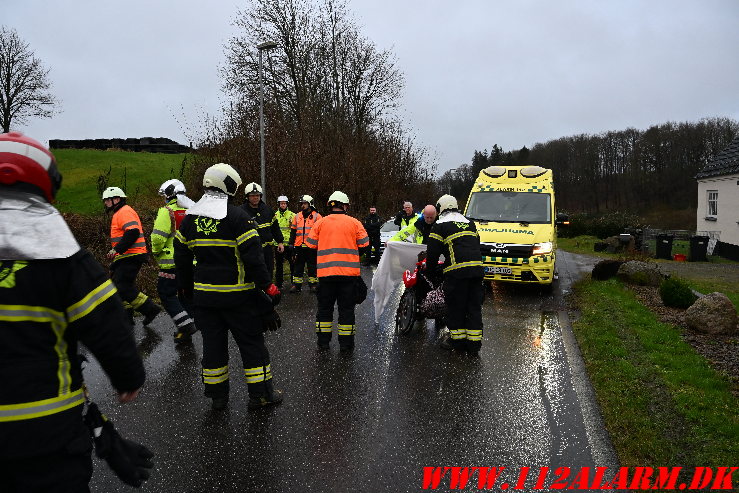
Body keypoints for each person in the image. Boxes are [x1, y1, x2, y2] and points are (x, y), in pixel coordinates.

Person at [0, 132, 149, 491]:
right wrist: (127, 377)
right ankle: (156, 309)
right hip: (46, 430)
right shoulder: (61, 252)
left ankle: (155, 309)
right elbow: (105, 319)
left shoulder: (124, 212)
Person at [174, 163, 283, 410]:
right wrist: (268, 287)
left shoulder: (190, 219)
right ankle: (261, 395)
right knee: (252, 346)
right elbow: (254, 259)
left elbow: (180, 255)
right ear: (228, 185)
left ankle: (218, 398)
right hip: (239, 299)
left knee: (213, 349)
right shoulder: (238, 218)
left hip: (205, 301)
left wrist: (186, 288)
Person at [306, 191, 369, 352]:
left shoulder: (320, 223)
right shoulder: (355, 223)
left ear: (330, 205)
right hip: (349, 276)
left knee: (324, 310)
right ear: (345, 205)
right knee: (346, 311)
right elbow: (365, 244)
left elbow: (310, 245)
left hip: (326, 276)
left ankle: (323, 343)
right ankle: (346, 346)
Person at [425, 194, 485, 355]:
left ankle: (457, 342)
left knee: (456, 307)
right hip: (477, 272)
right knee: (473, 308)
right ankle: (474, 345)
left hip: (457, 273)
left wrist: (430, 273)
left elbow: (432, 253)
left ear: (440, 208)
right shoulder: (470, 223)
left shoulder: (440, 225)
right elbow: (474, 246)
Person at [102, 186, 162, 326]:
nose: (105, 203)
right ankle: (127, 318)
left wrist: (116, 249)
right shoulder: (120, 212)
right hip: (126, 256)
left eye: (107, 200)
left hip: (131, 255)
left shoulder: (124, 211)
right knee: (118, 286)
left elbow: (133, 232)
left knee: (123, 286)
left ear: (116, 199)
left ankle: (150, 309)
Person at [151, 179, 198, 344]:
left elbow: (157, 237)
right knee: (185, 296)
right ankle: (186, 330)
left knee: (166, 293)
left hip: (171, 264)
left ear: (170, 194)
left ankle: (185, 325)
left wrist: (156, 252)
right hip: (191, 263)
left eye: (164, 195)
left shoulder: (167, 211)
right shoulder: (192, 211)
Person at [241, 183, 284, 282]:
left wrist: (280, 242)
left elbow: (275, 228)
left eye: (257, 195)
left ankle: (267, 292)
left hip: (267, 251)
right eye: (252, 196)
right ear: (247, 197)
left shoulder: (267, 210)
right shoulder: (241, 212)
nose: (255, 198)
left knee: (268, 272)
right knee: (251, 273)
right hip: (250, 251)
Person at [289, 194, 322, 293]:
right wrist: (291, 244)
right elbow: (293, 231)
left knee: (312, 267)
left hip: (312, 247)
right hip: (299, 246)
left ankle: (313, 285)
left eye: (304, 203)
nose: (302, 205)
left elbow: (321, 232)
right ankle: (296, 285)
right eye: (301, 203)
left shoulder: (317, 216)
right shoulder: (297, 216)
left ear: (310, 204)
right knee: (298, 267)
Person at [273, 195, 295, 289]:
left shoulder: (292, 215)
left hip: (289, 244)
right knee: (279, 265)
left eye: (284, 203)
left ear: (287, 204)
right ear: (278, 204)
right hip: (278, 244)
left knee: (293, 264)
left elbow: (295, 230)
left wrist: (292, 243)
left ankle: (294, 283)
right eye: (281, 203)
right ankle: (279, 283)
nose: (283, 205)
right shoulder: (275, 215)